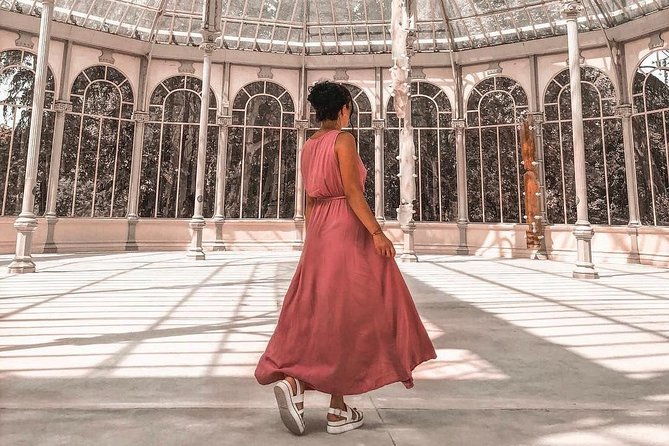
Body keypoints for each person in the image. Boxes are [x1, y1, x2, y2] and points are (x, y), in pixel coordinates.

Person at [254, 80, 436, 436]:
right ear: (344, 109)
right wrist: (377, 233)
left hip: (320, 230)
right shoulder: (344, 140)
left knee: (326, 310)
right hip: (345, 227)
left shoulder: (309, 145)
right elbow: (353, 193)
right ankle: (327, 403)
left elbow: (309, 200)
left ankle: (317, 395)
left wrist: (313, 240)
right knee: (358, 309)